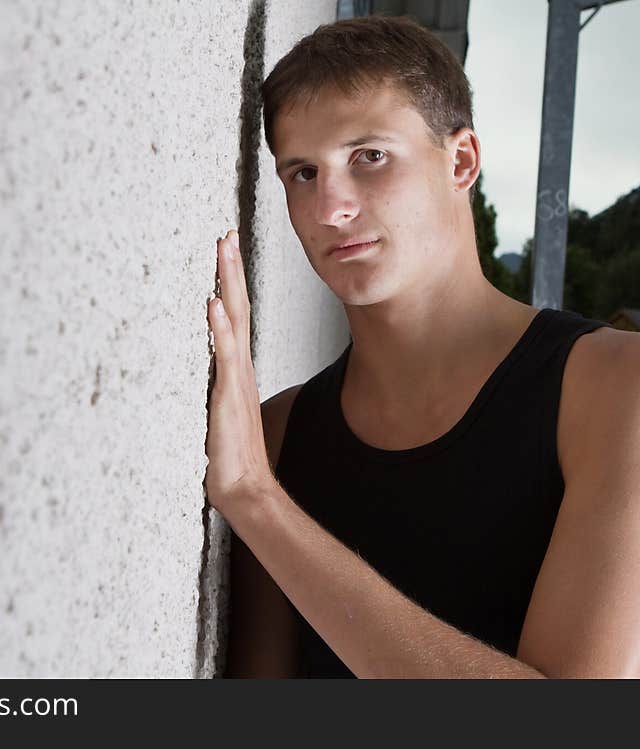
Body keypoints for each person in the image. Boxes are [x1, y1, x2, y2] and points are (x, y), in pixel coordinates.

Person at [204, 16, 640, 678]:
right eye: (302, 172)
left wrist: (258, 502)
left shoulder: (611, 388)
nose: (331, 207)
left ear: (461, 160)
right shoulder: (276, 434)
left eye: (368, 157)